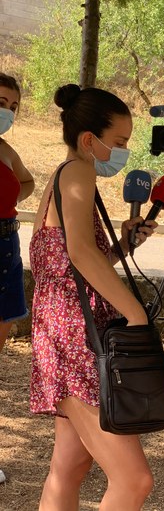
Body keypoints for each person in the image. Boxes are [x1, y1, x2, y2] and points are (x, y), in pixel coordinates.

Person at [29, 84, 156, 510]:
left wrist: (123, 248)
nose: (122, 152)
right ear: (89, 139)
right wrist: (135, 312)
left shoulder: (65, 177)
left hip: (65, 335)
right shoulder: (78, 171)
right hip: (75, 342)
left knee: (69, 469)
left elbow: (71, 265)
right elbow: (80, 254)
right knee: (134, 480)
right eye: (118, 142)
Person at [0, 73, 35, 484]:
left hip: (7, 246)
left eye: (11, 105)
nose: (6, 110)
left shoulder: (5, 149)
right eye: (1, 101)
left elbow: (25, 181)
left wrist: (12, 199)